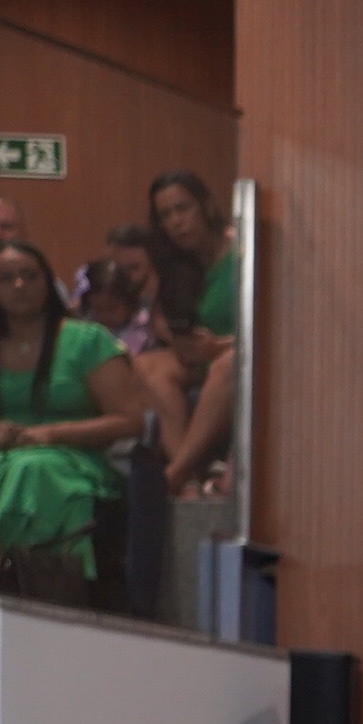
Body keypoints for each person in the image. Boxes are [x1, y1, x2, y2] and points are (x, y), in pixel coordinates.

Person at [0, 238, 148, 607]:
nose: (19, 285)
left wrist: (48, 434)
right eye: (6, 278)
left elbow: (130, 421)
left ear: (48, 282)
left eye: (29, 275)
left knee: (33, 470)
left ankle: (35, 585)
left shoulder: (86, 340)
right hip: (0, 458)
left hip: (76, 463)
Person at [143, 172, 237, 497]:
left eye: (182, 209)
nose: (176, 222)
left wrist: (219, 346)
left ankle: (175, 472)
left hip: (240, 354)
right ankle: (191, 482)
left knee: (228, 362)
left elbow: (271, 327)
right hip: (202, 355)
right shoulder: (176, 263)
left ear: (205, 206)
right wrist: (178, 340)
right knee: (148, 366)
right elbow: (158, 319)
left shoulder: (240, 251)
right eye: (165, 215)